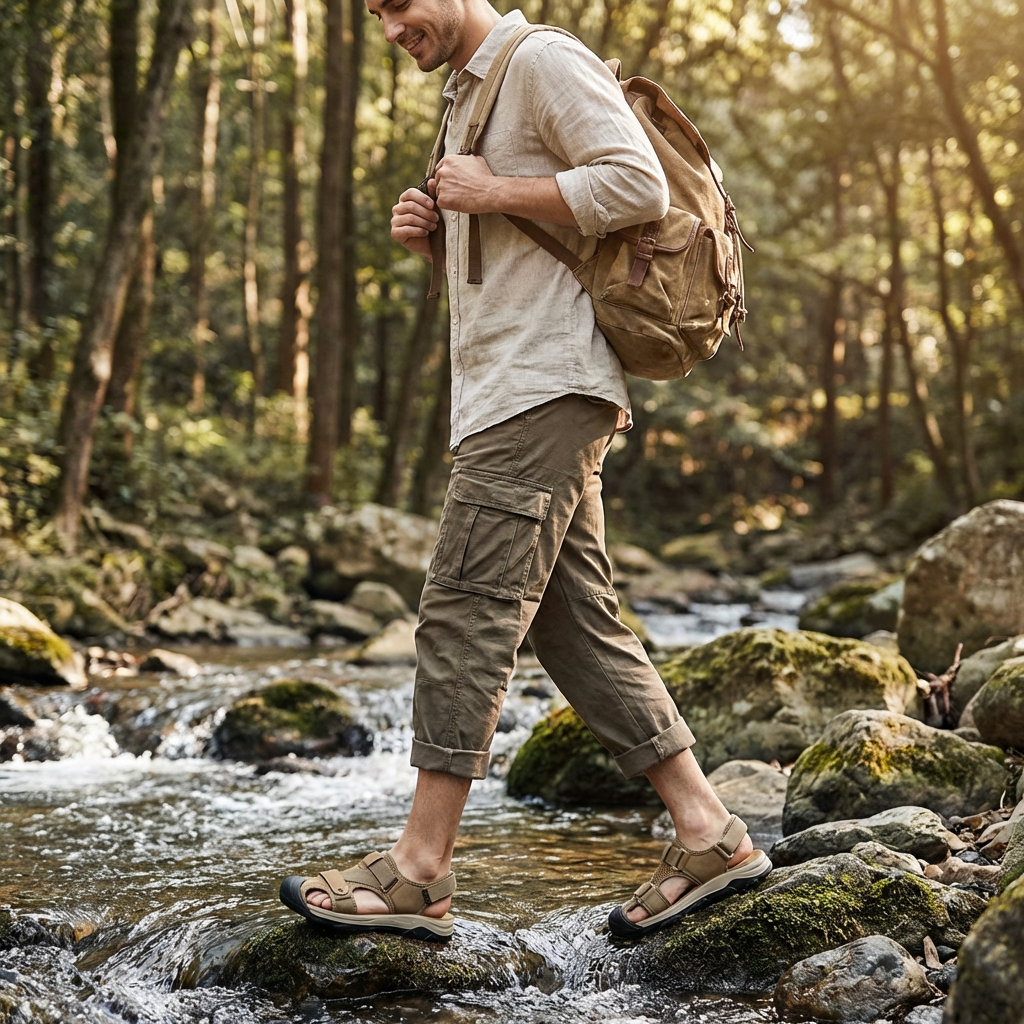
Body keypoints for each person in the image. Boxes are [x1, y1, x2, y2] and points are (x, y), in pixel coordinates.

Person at [280, 0, 771, 942]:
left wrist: (495, 193)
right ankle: (709, 832)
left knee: (464, 605)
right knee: (572, 623)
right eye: (375, 12)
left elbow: (637, 187)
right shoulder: (467, 95)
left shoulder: (541, 61)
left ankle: (419, 871)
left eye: (398, 5)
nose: (390, 28)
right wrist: (438, 232)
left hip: (541, 391)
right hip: (515, 388)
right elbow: (521, 249)